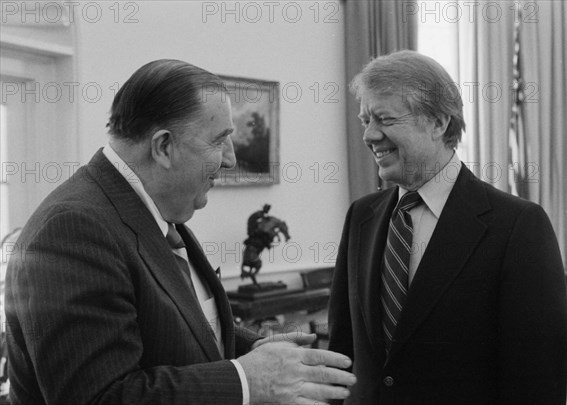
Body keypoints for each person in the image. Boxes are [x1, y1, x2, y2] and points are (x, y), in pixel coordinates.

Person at [5, 59, 356, 405]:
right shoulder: (72, 230)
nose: (231, 160)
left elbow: (181, 330)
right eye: (219, 141)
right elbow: (102, 396)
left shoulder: (155, 214)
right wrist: (248, 380)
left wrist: (255, 350)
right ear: (163, 147)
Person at [328, 50, 567, 404]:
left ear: (439, 123)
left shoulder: (518, 226)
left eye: (384, 119)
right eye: (365, 119)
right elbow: (342, 349)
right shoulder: (360, 216)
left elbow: (537, 379)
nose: (368, 135)